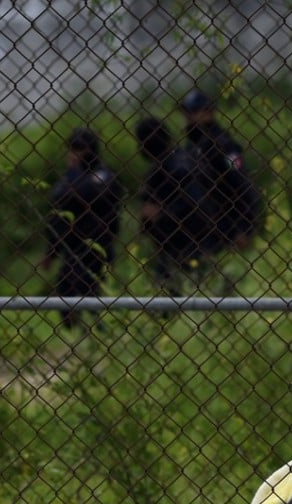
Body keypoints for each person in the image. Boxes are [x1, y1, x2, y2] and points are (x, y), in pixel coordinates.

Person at [41, 128, 124, 329]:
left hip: (98, 247)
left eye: (79, 148)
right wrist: (51, 253)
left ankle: (100, 333)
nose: (74, 153)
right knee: (66, 293)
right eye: (72, 148)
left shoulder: (103, 175)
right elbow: (59, 204)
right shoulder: (72, 177)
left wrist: (73, 173)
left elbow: (84, 194)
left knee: (92, 295)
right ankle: (78, 334)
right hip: (72, 247)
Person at [134, 117, 214, 297]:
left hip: (188, 246)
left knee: (185, 297)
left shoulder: (179, 165)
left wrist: (161, 214)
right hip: (169, 247)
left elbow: (196, 206)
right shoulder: (160, 168)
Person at [179, 89, 261, 256]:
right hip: (200, 230)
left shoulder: (222, 146)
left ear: (210, 112)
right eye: (187, 112)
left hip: (226, 228)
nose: (189, 117)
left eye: (194, 111)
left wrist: (243, 229)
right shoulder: (192, 147)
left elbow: (243, 185)